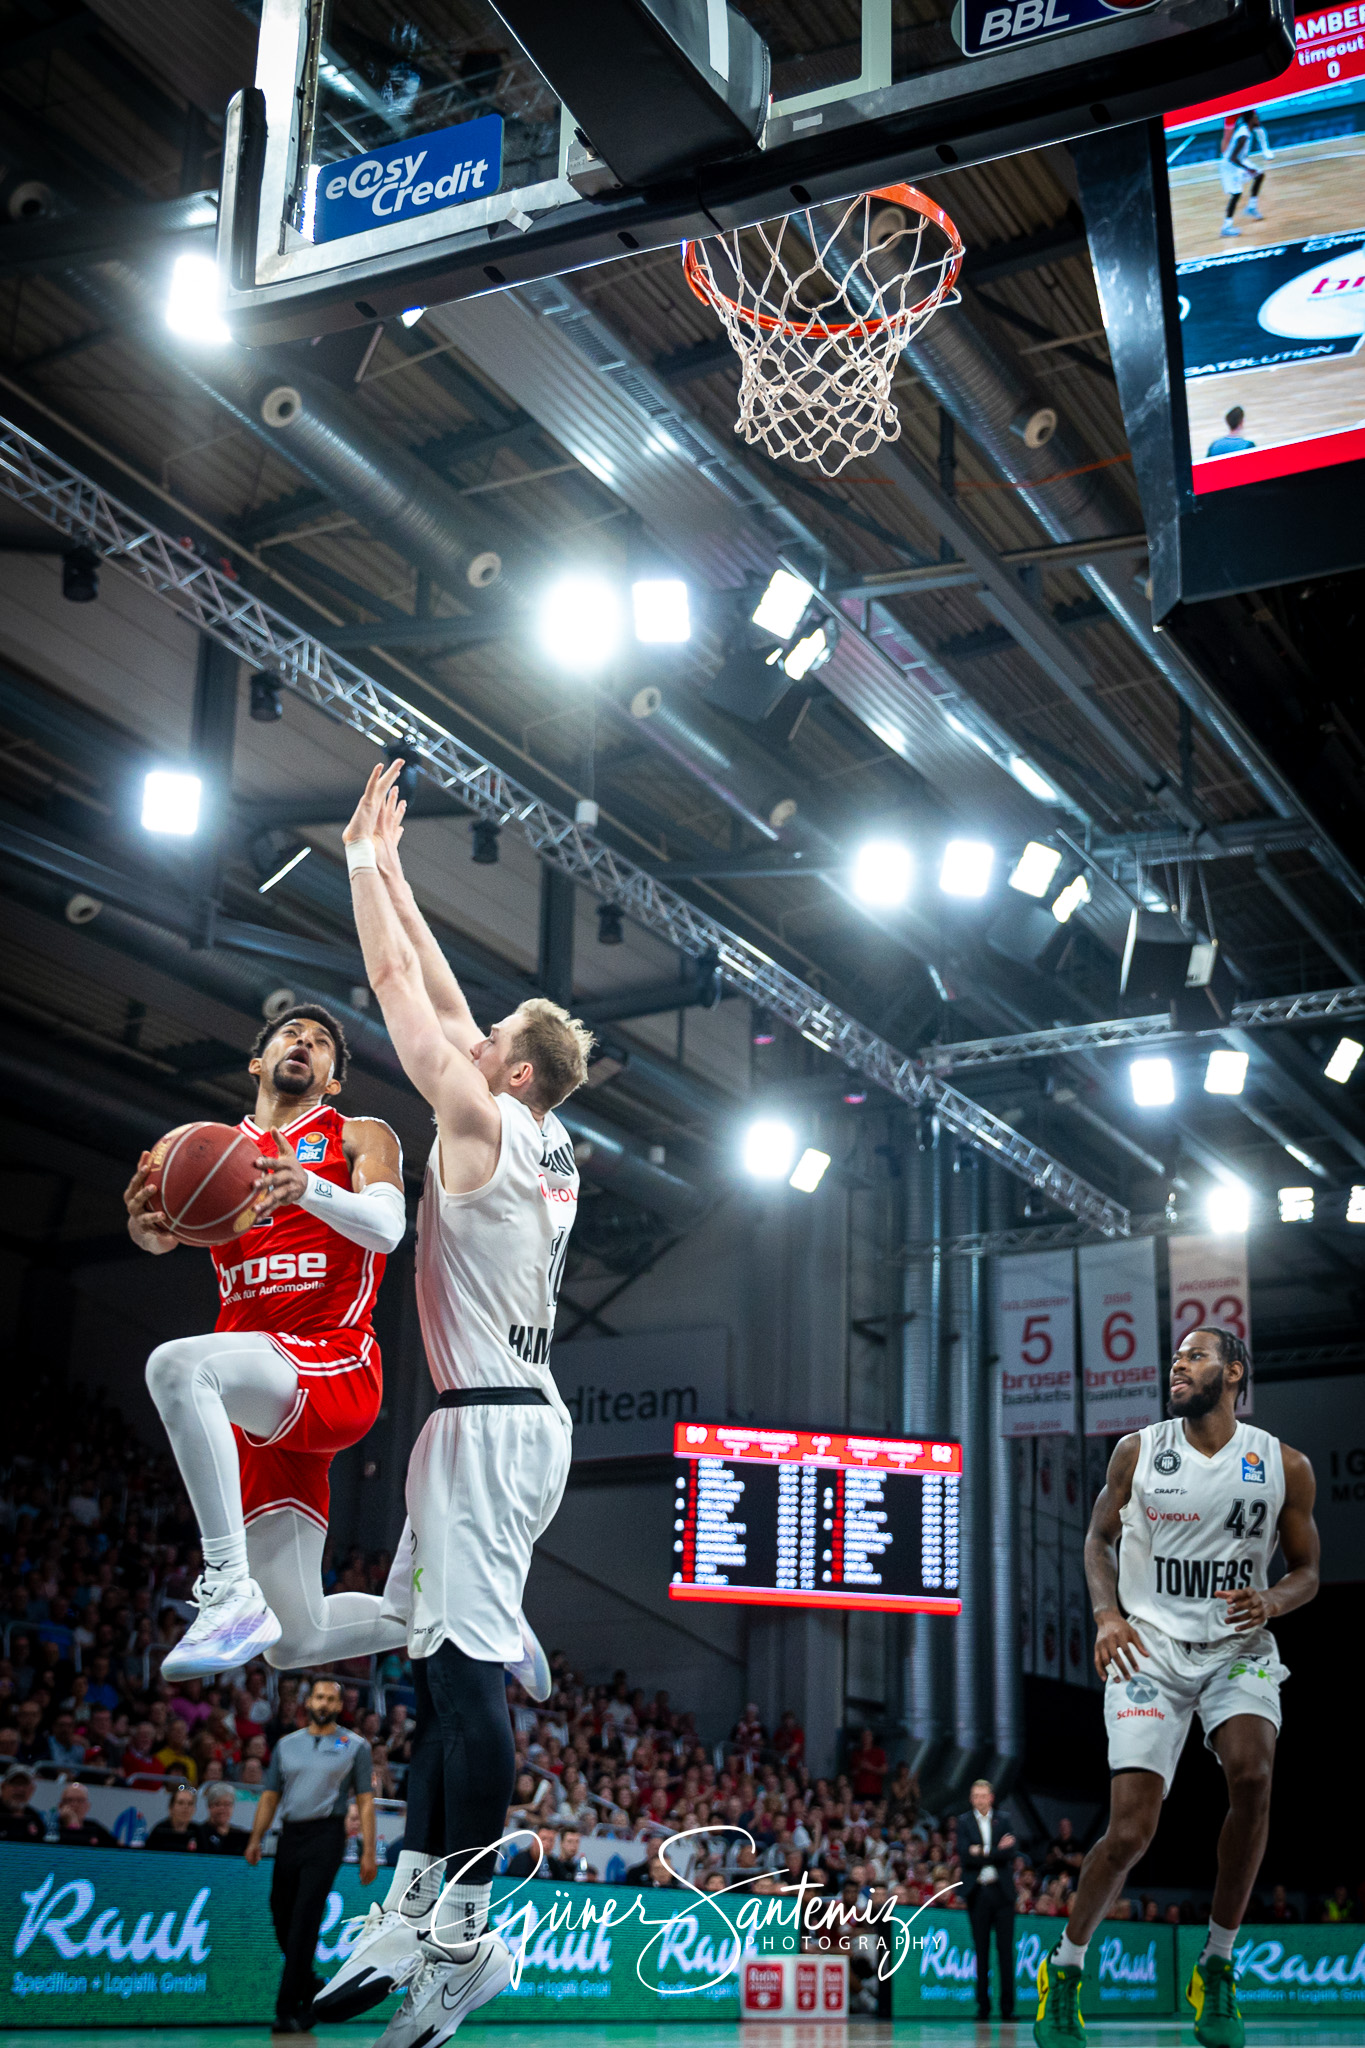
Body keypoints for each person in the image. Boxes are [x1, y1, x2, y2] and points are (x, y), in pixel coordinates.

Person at [313, 762, 592, 2048]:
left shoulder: (481, 1116)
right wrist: (401, 875)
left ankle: (469, 1941)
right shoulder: (529, 1130)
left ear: (515, 1076)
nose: (466, 1043)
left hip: (488, 1419)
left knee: (468, 1678)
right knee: (434, 1670)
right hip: (494, 1416)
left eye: (489, 1045)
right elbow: (438, 987)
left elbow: (393, 997)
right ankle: (418, 1897)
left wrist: (363, 871)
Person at [1034, 1326, 1320, 2048]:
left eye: (1194, 1357)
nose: (1177, 1365)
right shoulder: (1138, 1450)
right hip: (1149, 1647)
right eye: (1175, 1357)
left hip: (1236, 1646)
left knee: (1253, 1777)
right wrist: (1104, 1615)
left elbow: (1305, 1569)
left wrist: (1275, 1602)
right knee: (1130, 1831)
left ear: (1232, 1374)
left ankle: (1216, 1967)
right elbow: (1096, 1540)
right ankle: (1064, 1969)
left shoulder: (1283, 1464)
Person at [125, 1005, 408, 1676]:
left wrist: (307, 1187)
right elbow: (169, 1232)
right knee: (295, 1644)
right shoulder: (211, 1150)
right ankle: (458, 1613)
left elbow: (388, 1230)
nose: (304, 1044)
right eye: (291, 1034)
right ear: (258, 1062)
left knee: (177, 1367)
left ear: (332, 1079)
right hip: (259, 1401)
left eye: (320, 1044)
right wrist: (149, 1232)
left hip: (334, 1363)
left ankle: (226, 1586)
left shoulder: (356, 1133)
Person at [244, 1677, 378, 2033]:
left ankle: (288, 2008)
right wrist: (255, 1837)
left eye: (330, 1699)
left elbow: (364, 1799)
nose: (324, 1703)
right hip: (290, 1834)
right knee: (280, 1913)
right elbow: (270, 1794)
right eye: (318, 1696)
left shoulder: (355, 1745)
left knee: (305, 1918)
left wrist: (368, 1850)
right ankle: (310, 1985)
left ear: (338, 1705)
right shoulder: (287, 1745)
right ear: (309, 1701)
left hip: (327, 1834)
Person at [958, 1778, 1018, 2023]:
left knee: (1005, 1952)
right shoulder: (963, 1821)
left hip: (1002, 1893)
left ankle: (1007, 2008)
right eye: (975, 1795)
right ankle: (983, 2007)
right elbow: (964, 1854)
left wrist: (981, 1850)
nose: (979, 1800)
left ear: (991, 1797)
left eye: (983, 1795)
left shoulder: (1003, 1819)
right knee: (980, 1951)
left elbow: (1010, 1853)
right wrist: (994, 1850)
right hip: (978, 1892)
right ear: (971, 1798)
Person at [1219, 108, 1272, 235]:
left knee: (1259, 175)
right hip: (1230, 166)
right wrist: (1248, 169)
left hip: (1238, 161)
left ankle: (1251, 207)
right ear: (1251, 119)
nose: (1258, 119)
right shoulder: (1243, 136)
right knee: (1236, 194)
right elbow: (1233, 158)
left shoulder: (1247, 130)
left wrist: (1250, 169)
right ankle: (1226, 227)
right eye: (1256, 117)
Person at [55, 1780, 118, 1849]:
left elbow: (117, 1846)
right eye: (69, 1800)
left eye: (80, 1800)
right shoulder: (52, 1827)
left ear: (87, 1806)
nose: (74, 1804)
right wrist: (72, 1824)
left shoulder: (95, 1827)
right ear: (60, 1806)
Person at [146, 1783, 202, 1851]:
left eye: (190, 1804)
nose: (185, 1807)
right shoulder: (160, 1831)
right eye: (180, 1803)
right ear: (171, 1808)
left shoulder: (198, 1832)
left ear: (194, 1809)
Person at [200, 1782, 251, 1854]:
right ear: (209, 1806)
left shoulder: (241, 1835)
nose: (222, 1809)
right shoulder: (199, 1833)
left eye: (227, 1804)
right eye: (217, 1804)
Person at [0, 1766, 46, 1843]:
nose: (21, 1789)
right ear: (3, 1787)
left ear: (32, 1789)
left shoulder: (34, 1817)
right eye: (16, 1783)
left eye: (25, 1785)